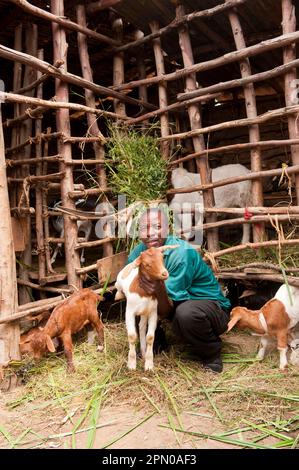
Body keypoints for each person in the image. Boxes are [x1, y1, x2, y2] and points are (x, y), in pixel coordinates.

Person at [127, 207, 231, 373]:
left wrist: (158, 287)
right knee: (135, 299)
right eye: (144, 228)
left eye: (157, 226)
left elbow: (169, 305)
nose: (150, 233)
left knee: (186, 314)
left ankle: (212, 355)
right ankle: (157, 340)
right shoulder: (138, 254)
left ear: (168, 229)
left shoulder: (180, 253)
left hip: (208, 307)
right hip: (174, 302)